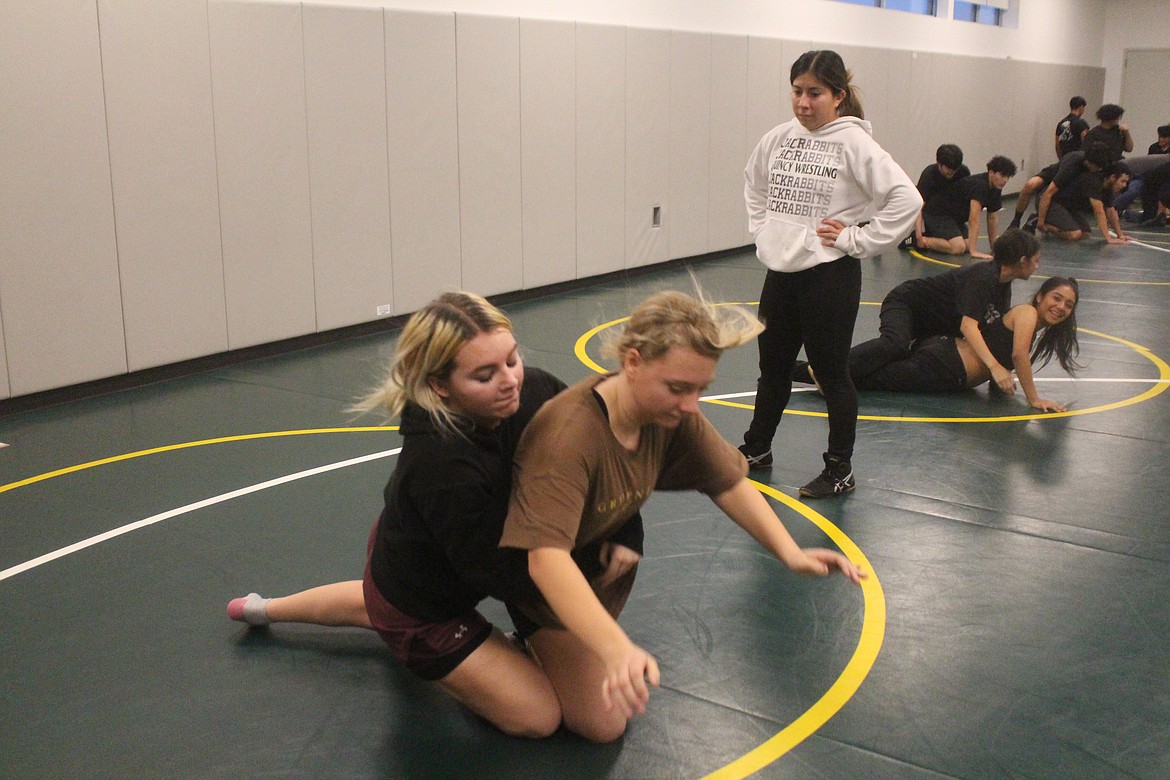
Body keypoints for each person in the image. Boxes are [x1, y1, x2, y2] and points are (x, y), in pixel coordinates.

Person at [226, 291, 599, 739]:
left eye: (512, 359)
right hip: (424, 602)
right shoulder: (441, 464)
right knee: (537, 718)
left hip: (447, 551)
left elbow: (593, 447)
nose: (511, 381)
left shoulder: (533, 389)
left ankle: (266, 608)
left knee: (600, 720)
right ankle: (312, 614)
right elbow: (500, 574)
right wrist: (589, 572)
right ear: (440, 385)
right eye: (485, 375)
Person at [498, 290, 865, 742]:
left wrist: (789, 553)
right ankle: (510, 648)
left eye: (700, 390)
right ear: (632, 362)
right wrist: (615, 650)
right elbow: (544, 561)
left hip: (592, 570)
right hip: (541, 590)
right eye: (678, 388)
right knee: (601, 724)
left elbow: (727, 482)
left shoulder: (669, 413)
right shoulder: (569, 437)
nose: (692, 405)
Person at [738, 49, 922, 497]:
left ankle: (840, 468)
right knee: (773, 368)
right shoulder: (779, 138)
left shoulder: (855, 144)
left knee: (831, 374)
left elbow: (907, 200)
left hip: (829, 277)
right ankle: (756, 449)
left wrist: (856, 240)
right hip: (780, 274)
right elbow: (754, 183)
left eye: (814, 93)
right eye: (797, 91)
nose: (803, 103)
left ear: (838, 96)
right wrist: (764, 232)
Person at [796, 276, 1082, 413]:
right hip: (943, 365)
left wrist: (999, 380)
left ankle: (792, 368)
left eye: (1068, 304)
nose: (1060, 307)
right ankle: (796, 369)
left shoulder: (1028, 321)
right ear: (1041, 296)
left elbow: (1002, 350)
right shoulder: (1028, 313)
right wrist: (1034, 399)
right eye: (1056, 298)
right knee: (870, 379)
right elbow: (1018, 355)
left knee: (872, 373)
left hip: (943, 359)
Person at [841, 229, 1043, 399]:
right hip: (907, 304)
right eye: (1035, 261)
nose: (1037, 266)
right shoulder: (983, 277)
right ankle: (830, 371)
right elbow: (968, 326)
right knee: (895, 343)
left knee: (902, 361)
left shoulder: (1002, 286)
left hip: (930, 326)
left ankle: (824, 372)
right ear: (1023, 261)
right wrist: (994, 366)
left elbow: (990, 331)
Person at [915, 155, 1017, 259]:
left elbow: (992, 218)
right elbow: (973, 219)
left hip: (953, 217)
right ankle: (919, 240)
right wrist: (974, 252)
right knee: (958, 247)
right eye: (1002, 175)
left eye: (1007, 177)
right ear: (991, 172)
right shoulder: (980, 186)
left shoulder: (995, 188)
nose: (1005, 180)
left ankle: (935, 237)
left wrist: (994, 247)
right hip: (937, 213)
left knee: (967, 245)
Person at [1008, 142, 1113, 230]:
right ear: (1088, 161)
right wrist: (1041, 220)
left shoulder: (1098, 166)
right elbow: (1048, 193)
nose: (1097, 169)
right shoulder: (1073, 163)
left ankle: (1052, 222)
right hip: (1053, 176)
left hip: (1068, 187)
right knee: (1030, 185)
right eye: (1096, 166)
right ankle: (1016, 220)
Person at [1036, 161, 1133, 243]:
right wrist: (1108, 238)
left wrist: (1120, 235)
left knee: (1085, 233)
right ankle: (1037, 221)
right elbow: (1099, 212)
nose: (1124, 185)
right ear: (1113, 177)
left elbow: (1111, 212)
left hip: (1068, 206)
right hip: (1052, 202)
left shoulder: (1108, 187)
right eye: (1123, 181)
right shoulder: (1094, 182)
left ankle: (1053, 226)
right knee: (1075, 234)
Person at [900, 144, 969, 249]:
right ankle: (917, 239)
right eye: (948, 169)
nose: (952, 172)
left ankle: (931, 235)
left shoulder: (963, 172)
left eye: (955, 169)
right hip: (935, 215)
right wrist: (918, 235)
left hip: (952, 215)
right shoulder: (929, 175)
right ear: (939, 164)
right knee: (958, 247)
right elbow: (918, 206)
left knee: (969, 246)